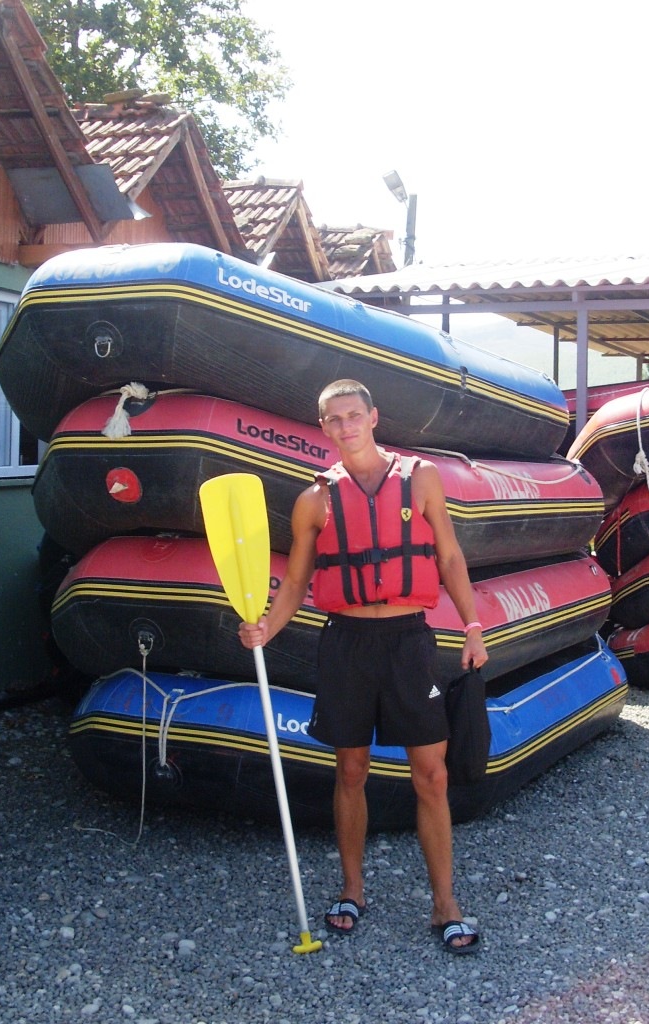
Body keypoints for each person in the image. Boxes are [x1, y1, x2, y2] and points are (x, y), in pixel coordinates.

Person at [238, 379, 488, 954]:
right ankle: (352, 890)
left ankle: (445, 904)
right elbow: (296, 581)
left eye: (354, 415)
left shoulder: (421, 477)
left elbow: (449, 556)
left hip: (409, 641)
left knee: (432, 775)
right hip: (346, 642)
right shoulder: (315, 499)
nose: (345, 426)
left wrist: (473, 626)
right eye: (334, 419)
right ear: (323, 427)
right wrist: (265, 628)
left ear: (374, 417)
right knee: (350, 771)